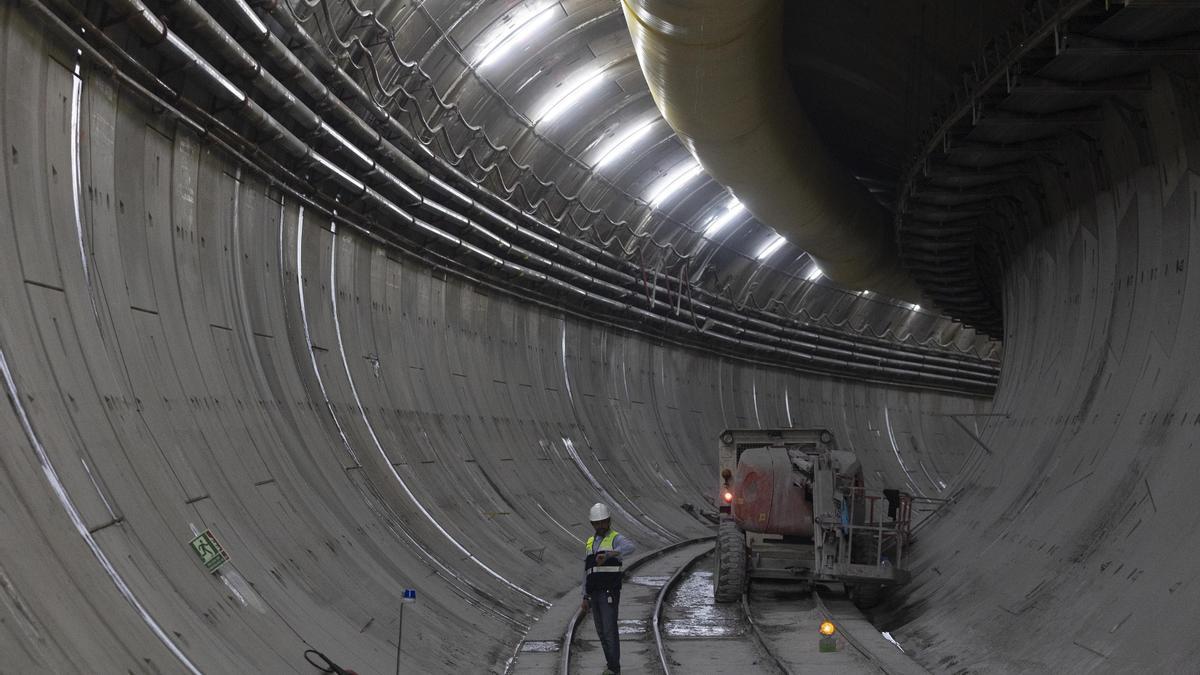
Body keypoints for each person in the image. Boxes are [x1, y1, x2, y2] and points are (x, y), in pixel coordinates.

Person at [581, 502, 635, 675]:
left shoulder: (615, 538)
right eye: (597, 523)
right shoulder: (590, 542)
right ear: (592, 524)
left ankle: (614, 668)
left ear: (609, 521)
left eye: (603, 522)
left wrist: (611, 554)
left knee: (609, 630)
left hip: (608, 593)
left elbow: (630, 548)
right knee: (601, 632)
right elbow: (587, 571)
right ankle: (610, 664)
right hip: (594, 593)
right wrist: (584, 596)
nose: (600, 526)